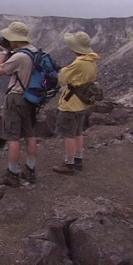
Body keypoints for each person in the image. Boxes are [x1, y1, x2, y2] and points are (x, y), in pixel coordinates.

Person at [0, 21, 39, 187]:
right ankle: (30, 170)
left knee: (13, 138)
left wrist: (4, 53)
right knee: (30, 135)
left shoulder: (19, 56)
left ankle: (12, 175)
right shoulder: (35, 52)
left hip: (16, 97)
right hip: (31, 99)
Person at [52, 31, 100, 175]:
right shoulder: (92, 61)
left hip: (71, 104)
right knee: (78, 131)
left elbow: (62, 78)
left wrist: (60, 71)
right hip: (82, 103)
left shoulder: (79, 63)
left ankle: (69, 163)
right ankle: (78, 159)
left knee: (69, 134)